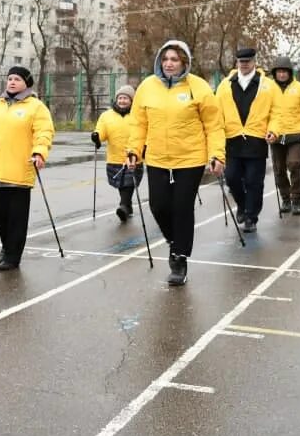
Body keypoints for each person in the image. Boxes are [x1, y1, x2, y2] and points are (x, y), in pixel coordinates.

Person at [126, 40, 224, 286]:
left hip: (189, 159)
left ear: (185, 62)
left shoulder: (198, 87)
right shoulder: (147, 87)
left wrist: (216, 155)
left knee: (181, 207)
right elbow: (138, 123)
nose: (169, 64)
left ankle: (179, 258)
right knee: (158, 207)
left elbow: (213, 125)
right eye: (166, 59)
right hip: (158, 158)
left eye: (175, 59)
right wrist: (133, 151)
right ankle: (174, 241)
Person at [0, 66, 55, 271]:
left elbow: (44, 132)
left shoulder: (36, 107)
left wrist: (39, 152)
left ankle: (12, 256)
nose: (12, 82)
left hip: (20, 170)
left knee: (16, 217)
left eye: (17, 79)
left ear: (27, 82)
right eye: (9, 79)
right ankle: (8, 245)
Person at [214, 47, 275, 233]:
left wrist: (274, 129)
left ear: (254, 61)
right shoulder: (225, 85)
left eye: (248, 61)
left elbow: (276, 112)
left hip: (256, 139)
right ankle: (241, 205)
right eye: (241, 61)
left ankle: (251, 217)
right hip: (232, 139)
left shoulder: (267, 85)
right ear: (237, 62)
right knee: (231, 178)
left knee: (253, 181)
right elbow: (217, 113)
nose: (244, 64)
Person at [265, 56, 300, 216]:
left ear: (290, 73)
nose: (282, 75)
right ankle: (285, 199)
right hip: (275, 134)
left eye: (284, 72)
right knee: (279, 169)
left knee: (294, 164)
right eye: (279, 72)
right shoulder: (267, 88)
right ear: (275, 73)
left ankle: (296, 200)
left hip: (296, 133)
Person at [92, 84, 143, 222]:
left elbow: (143, 132)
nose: (122, 101)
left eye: (126, 98)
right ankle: (127, 205)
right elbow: (101, 130)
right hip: (114, 158)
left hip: (133, 157)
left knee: (128, 182)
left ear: (132, 101)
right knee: (121, 183)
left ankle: (124, 206)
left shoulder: (138, 115)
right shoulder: (106, 116)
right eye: (120, 98)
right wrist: (97, 136)